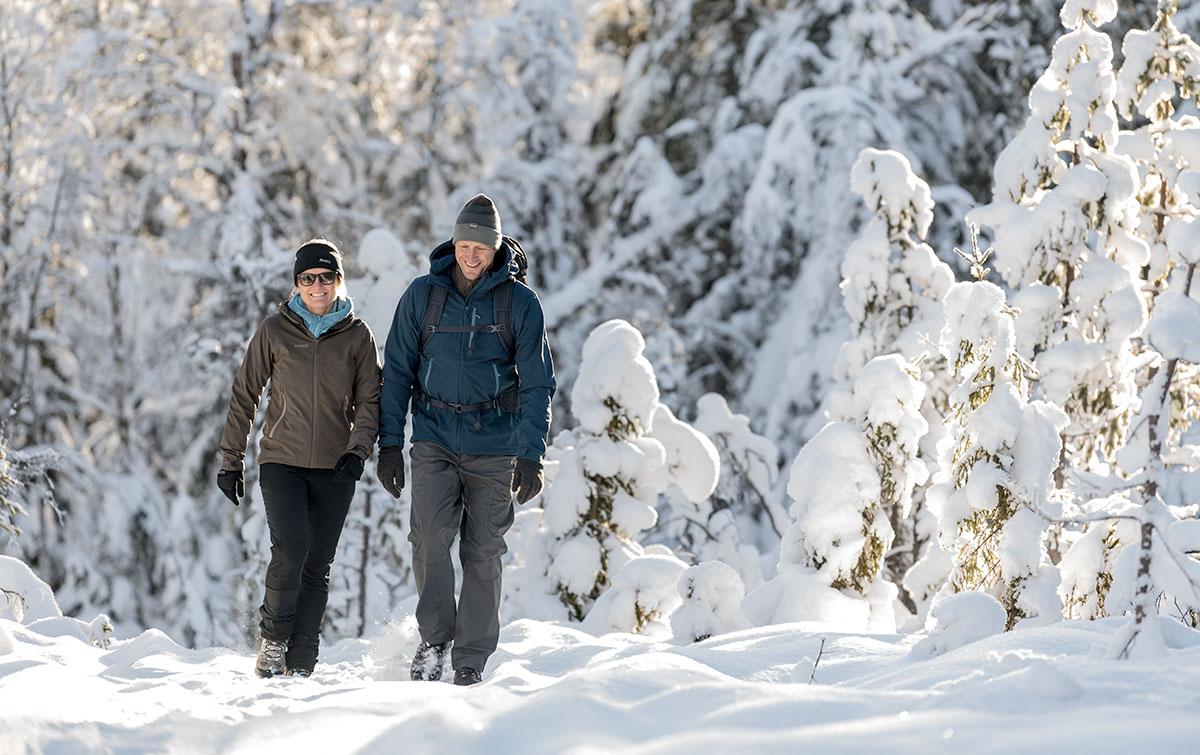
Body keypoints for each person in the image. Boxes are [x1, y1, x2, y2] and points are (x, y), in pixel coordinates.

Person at [377, 194, 555, 686]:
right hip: (433, 436)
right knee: (430, 538)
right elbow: (395, 373)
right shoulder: (423, 295)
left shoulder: (518, 302)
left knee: (483, 552)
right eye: (463, 243)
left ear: (495, 249)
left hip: (495, 443)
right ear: (452, 242)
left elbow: (539, 383)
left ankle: (471, 658)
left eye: (481, 246)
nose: (471, 254)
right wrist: (389, 444)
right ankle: (435, 641)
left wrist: (531, 454)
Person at [217, 239, 381, 678]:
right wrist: (231, 460)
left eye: (326, 277)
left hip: (335, 466)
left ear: (338, 281)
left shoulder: (357, 336)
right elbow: (245, 394)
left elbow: (370, 401)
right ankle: (273, 643)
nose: (317, 285)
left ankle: (303, 657)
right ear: (297, 283)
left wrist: (357, 451)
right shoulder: (276, 330)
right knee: (289, 549)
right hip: (281, 461)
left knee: (318, 564)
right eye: (308, 278)